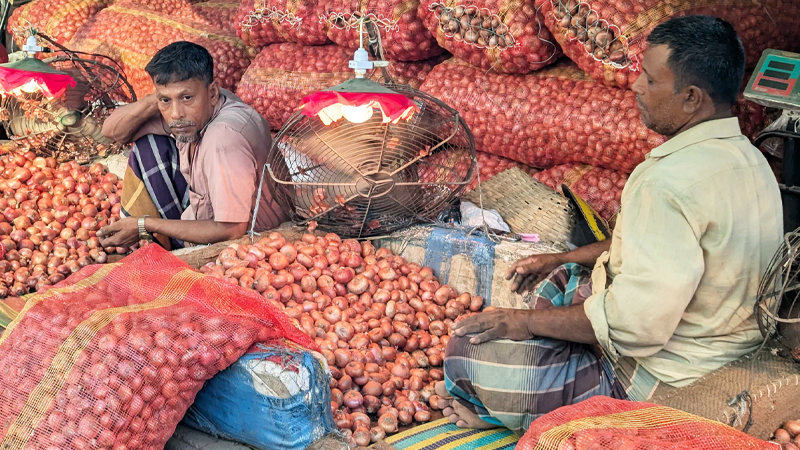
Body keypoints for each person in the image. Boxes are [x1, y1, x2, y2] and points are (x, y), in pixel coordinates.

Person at [434, 15, 783, 434]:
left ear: (691, 98)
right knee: (559, 278)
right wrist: (564, 256)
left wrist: (522, 322)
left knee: (463, 352)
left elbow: (636, 328)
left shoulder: (666, 181)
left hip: (665, 378)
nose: (636, 87)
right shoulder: (751, 160)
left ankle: (501, 416)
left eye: (651, 81)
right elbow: (667, 250)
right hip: (721, 339)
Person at [97, 41, 286, 249]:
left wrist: (145, 224)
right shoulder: (194, 113)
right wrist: (158, 98)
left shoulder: (222, 138)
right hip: (205, 214)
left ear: (213, 92)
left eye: (186, 97)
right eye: (166, 101)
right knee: (148, 145)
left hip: (250, 242)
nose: (176, 114)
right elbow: (112, 131)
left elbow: (231, 230)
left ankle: (166, 245)